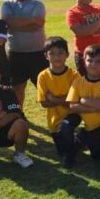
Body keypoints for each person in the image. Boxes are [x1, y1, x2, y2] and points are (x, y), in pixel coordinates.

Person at [1, 0, 48, 107]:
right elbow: (7, 23)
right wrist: (32, 20)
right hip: (16, 53)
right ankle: (18, 115)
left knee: (45, 87)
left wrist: (14, 26)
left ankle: (56, 118)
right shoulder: (7, 5)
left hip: (38, 53)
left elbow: (36, 26)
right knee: (17, 88)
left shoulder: (38, 4)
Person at [36, 37, 81, 167]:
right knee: (61, 149)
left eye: (60, 53)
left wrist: (55, 99)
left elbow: (73, 101)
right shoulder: (43, 76)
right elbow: (44, 103)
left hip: (72, 114)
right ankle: (79, 139)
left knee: (66, 128)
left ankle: (70, 157)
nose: (57, 57)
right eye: (52, 53)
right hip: (54, 119)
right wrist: (64, 99)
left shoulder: (74, 75)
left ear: (67, 55)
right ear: (46, 56)